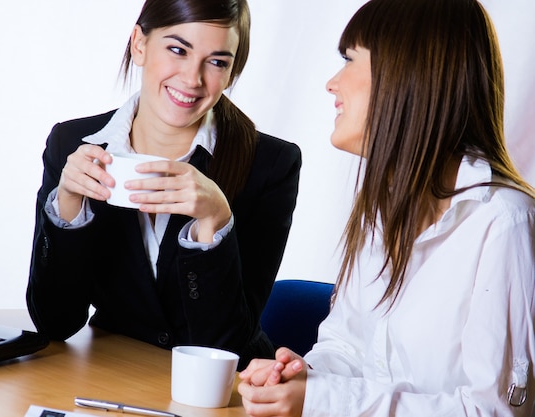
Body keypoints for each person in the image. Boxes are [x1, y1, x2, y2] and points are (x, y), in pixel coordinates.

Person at [238, 0, 535, 415]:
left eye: (349, 59)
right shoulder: (383, 209)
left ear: (405, 75)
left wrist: (323, 400)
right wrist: (304, 376)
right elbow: (346, 348)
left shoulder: (503, 221)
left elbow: (497, 411)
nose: (332, 83)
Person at [26, 0, 301, 369]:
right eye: (177, 49)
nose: (192, 78)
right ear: (139, 44)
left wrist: (215, 222)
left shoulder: (270, 164)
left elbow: (227, 346)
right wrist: (69, 205)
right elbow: (54, 323)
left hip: (224, 392)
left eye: (217, 61)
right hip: (113, 373)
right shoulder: (72, 143)